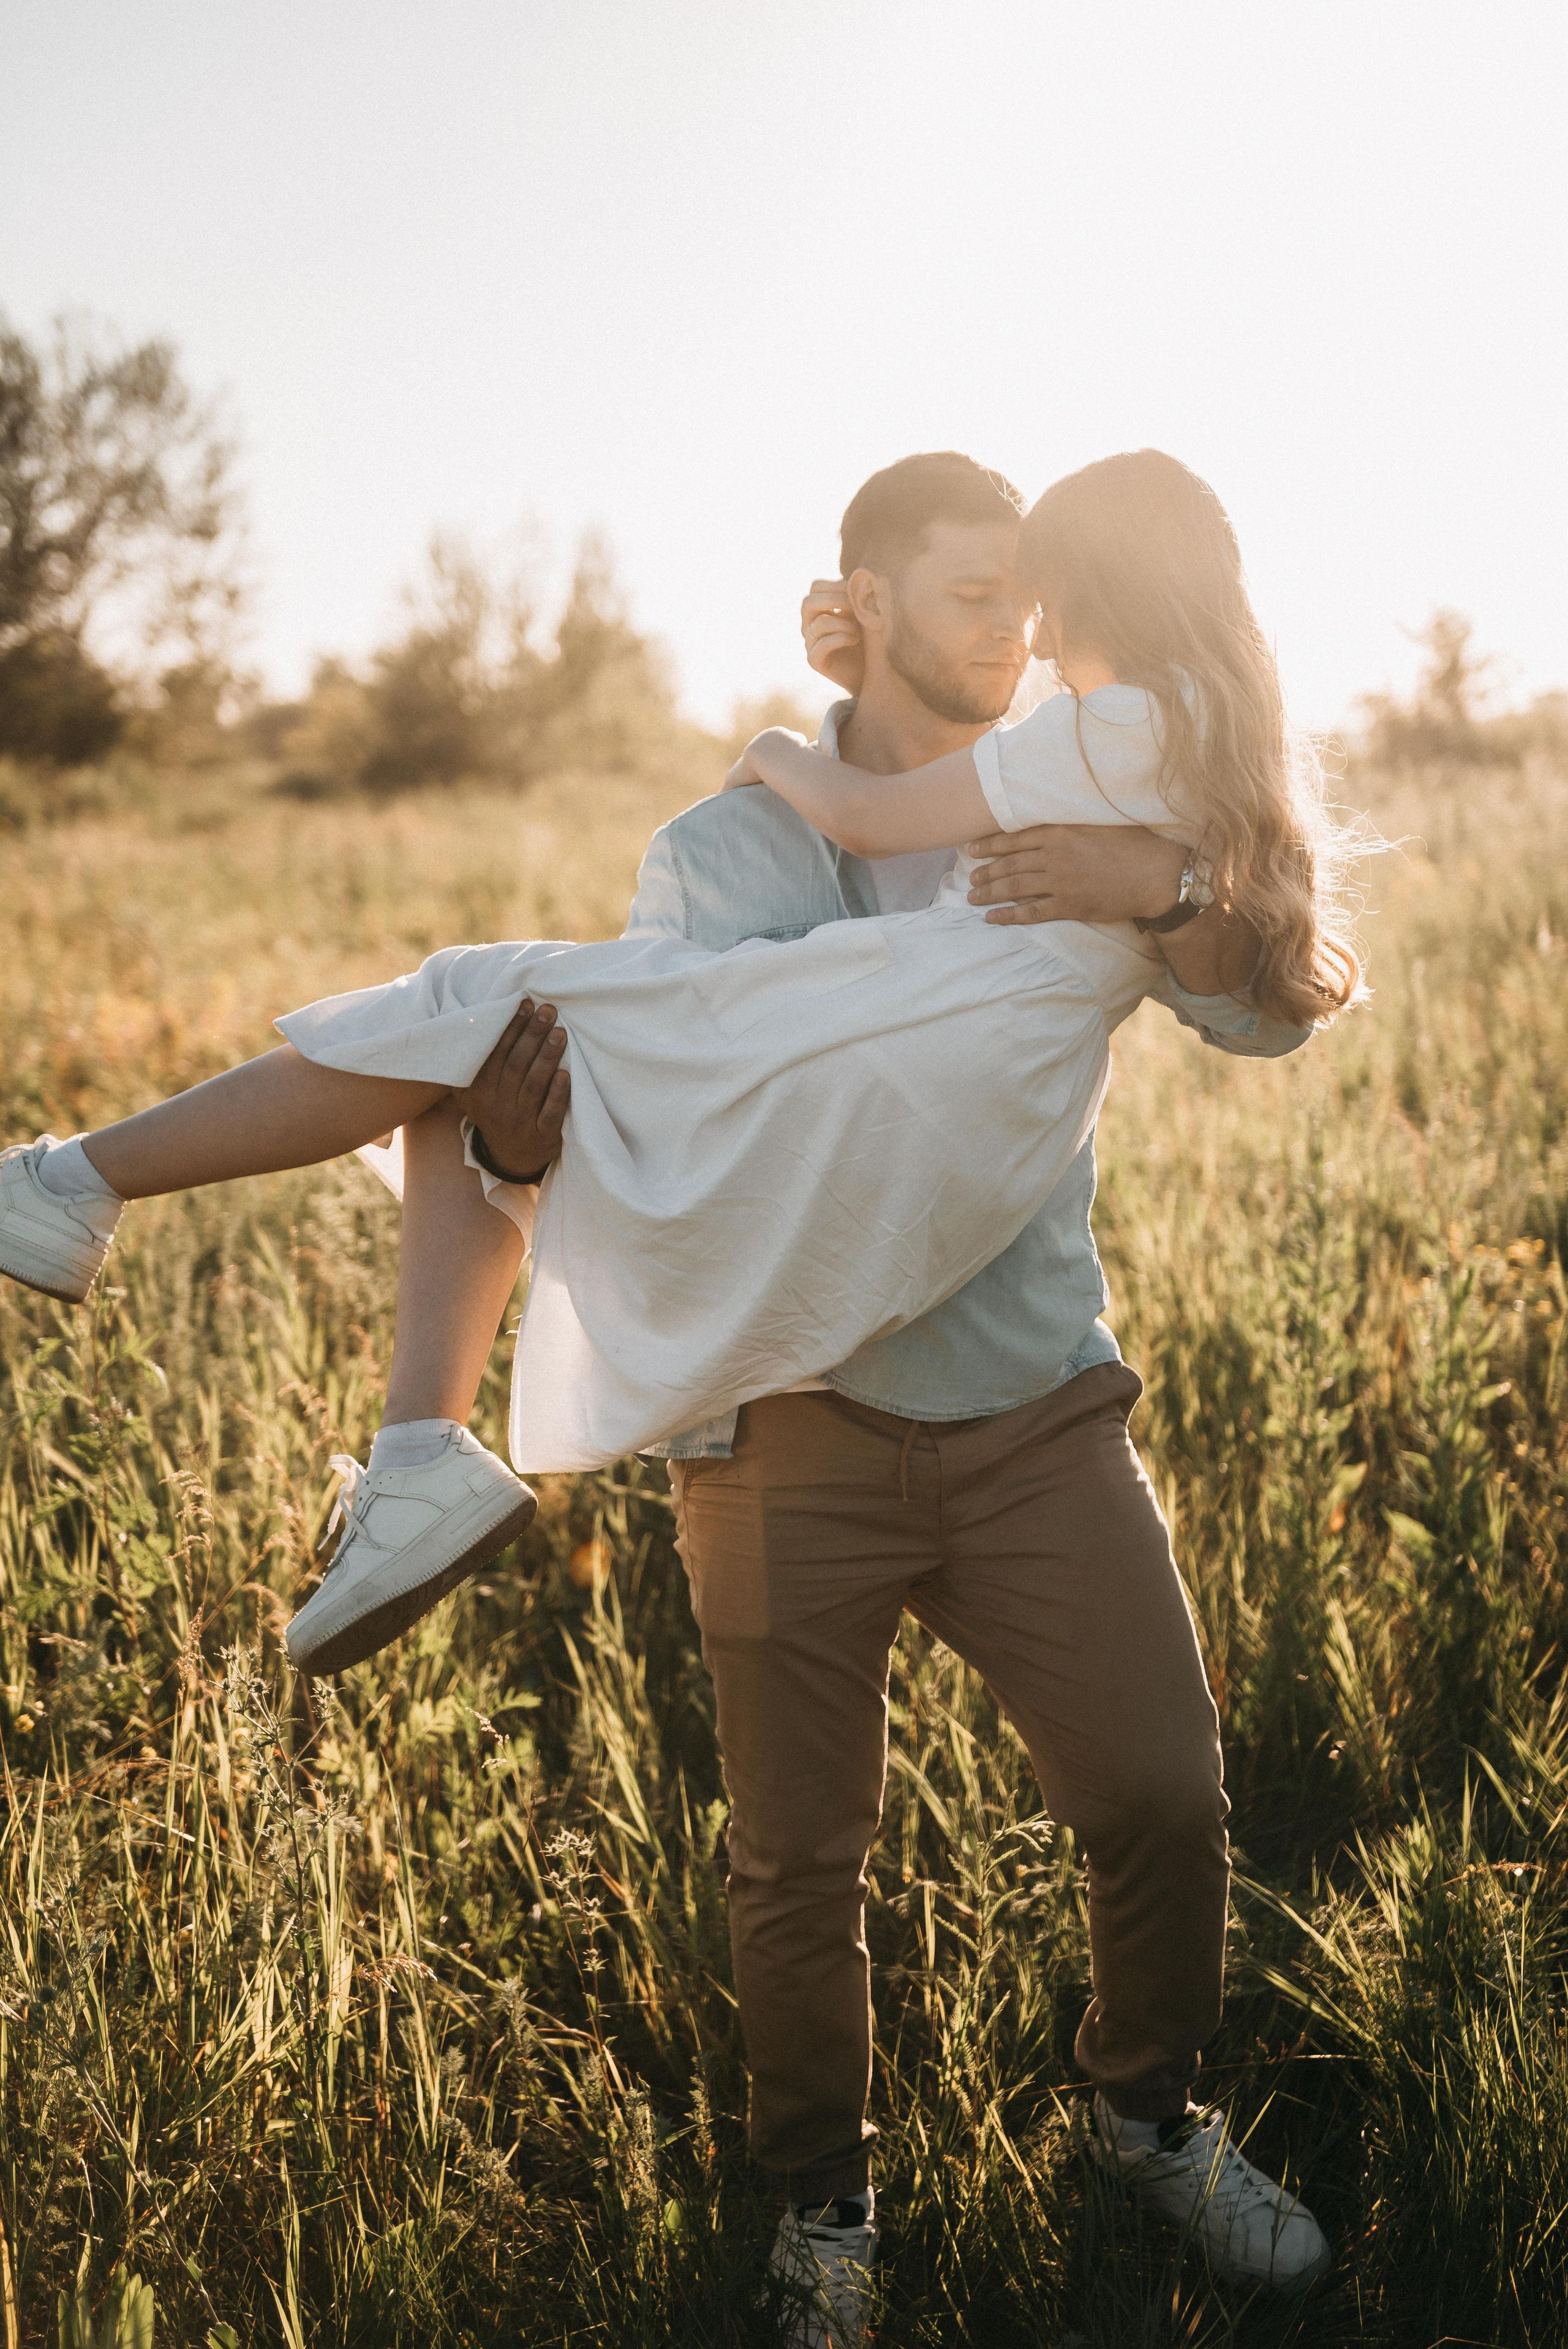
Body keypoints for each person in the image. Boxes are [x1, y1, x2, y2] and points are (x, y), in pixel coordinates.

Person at [0, 449, 1356, 2328]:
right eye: (976, 592)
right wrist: (503, 1139)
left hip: (1033, 1400)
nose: (1021, 627)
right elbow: (680, 1118)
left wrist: (1175, 873)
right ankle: (824, 2208)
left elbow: (1267, 1002)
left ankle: (1149, 2113)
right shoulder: (723, 850)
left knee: (1164, 1794)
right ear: (860, 601)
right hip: (785, 1427)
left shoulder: (1094, 775)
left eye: (1030, 596)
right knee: (799, 1863)